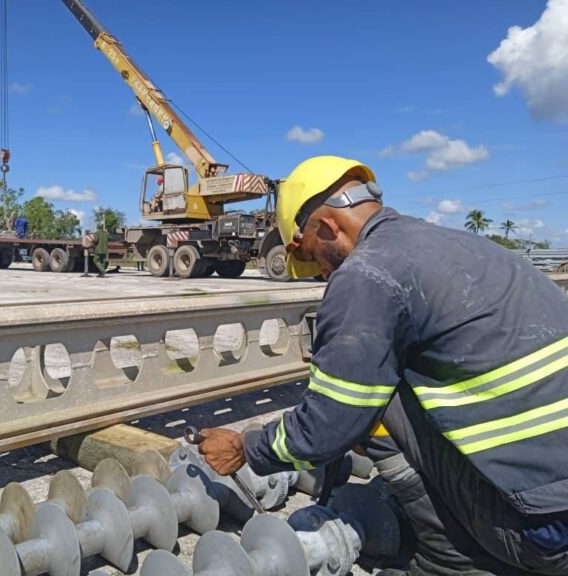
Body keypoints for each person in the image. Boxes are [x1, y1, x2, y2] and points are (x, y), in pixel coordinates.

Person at [197, 155, 568, 575]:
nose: (322, 273)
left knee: (368, 400)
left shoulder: (367, 274)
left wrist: (247, 447)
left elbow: (328, 426)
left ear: (326, 228)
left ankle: (451, 560)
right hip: (554, 498)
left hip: (539, 531)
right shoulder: (465, 246)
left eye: (315, 259)